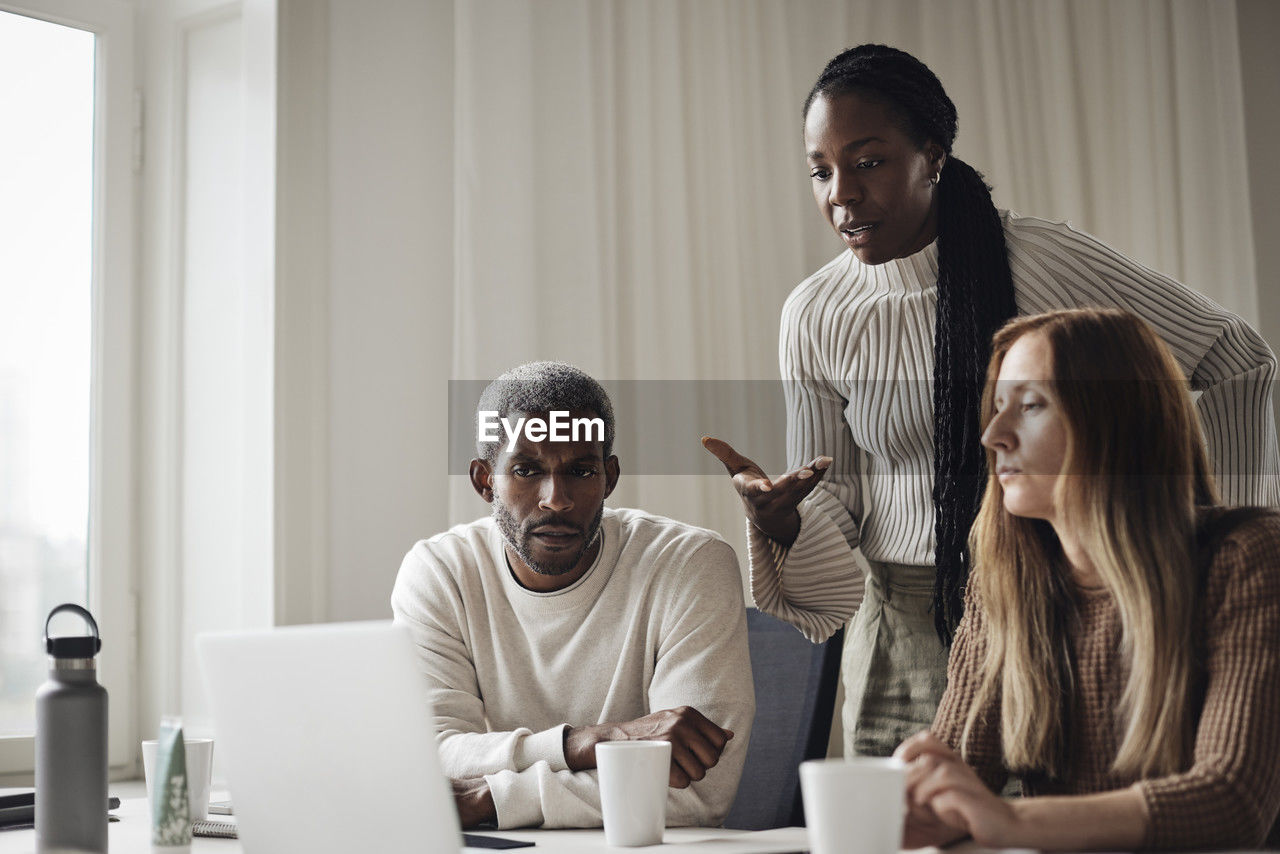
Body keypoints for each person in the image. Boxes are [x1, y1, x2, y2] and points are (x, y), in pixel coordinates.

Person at [704, 43, 1280, 758]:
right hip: (905, 626)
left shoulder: (1044, 261)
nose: (841, 194)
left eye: (869, 161)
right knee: (899, 829)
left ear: (933, 156)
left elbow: (1235, 359)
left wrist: (1201, 536)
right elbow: (840, 500)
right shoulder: (815, 314)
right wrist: (784, 520)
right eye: (821, 171)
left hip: (1061, 605)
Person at [895, 308, 1280, 850]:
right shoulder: (1005, 580)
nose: (993, 435)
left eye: (1030, 405)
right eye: (997, 407)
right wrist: (927, 802)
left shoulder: (1247, 556)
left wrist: (1014, 823)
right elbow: (960, 775)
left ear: (1116, 420)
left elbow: (1232, 797)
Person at [391, 361, 754, 830]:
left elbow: (701, 791)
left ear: (610, 477)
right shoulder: (441, 572)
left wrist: (493, 800)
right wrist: (588, 742)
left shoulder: (688, 563)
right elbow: (431, 758)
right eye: (526, 469)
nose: (556, 499)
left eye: (581, 471)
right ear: (485, 481)